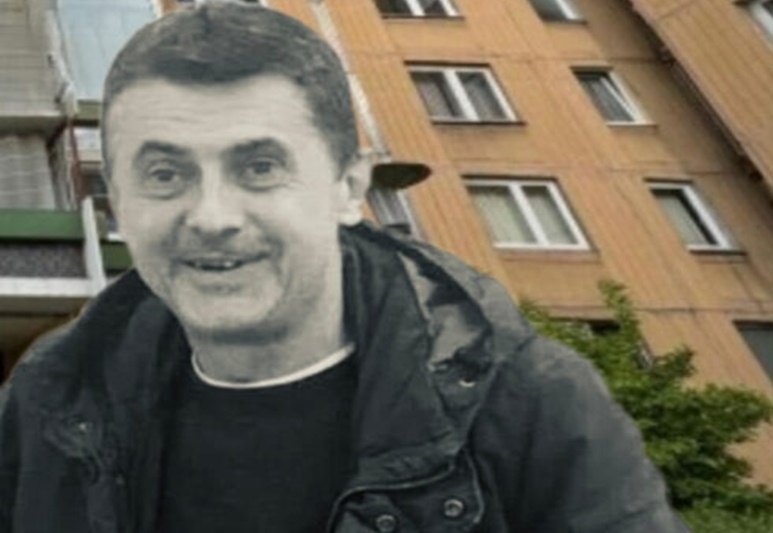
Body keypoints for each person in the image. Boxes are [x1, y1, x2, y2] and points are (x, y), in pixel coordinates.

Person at [0, 3, 691, 532]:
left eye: (259, 166)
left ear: (349, 187)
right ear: (117, 203)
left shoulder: (525, 403)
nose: (211, 216)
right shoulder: (48, 401)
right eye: (163, 173)